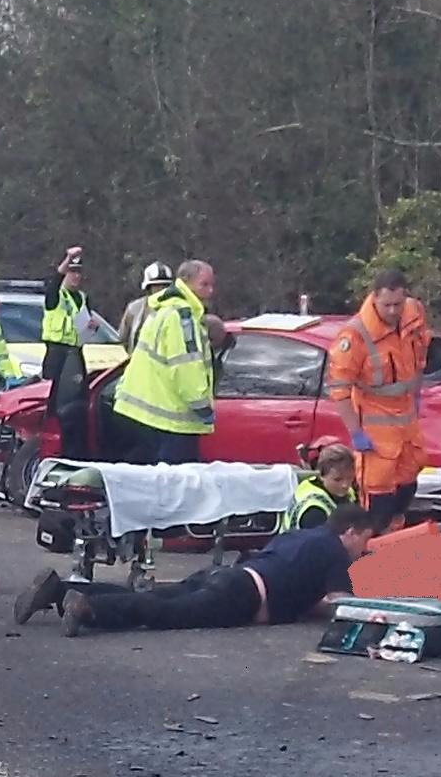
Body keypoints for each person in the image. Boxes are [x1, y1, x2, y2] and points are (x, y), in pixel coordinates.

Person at [41, 506, 377, 635]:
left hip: (230, 576)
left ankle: (61, 589)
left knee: (152, 595)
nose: (364, 548)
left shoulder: (304, 536)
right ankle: (89, 608)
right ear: (350, 532)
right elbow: (343, 606)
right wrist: (380, 612)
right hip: (243, 597)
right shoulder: (336, 552)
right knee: (165, 612)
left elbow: (299, 586)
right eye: (365, 539)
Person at [326, 267, 432, 532]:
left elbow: (420, 355)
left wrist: (416, 396)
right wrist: (355, 433)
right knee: (378, 496)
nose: (394, 311)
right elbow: (339, 389)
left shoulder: (414, 313)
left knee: (409, 483)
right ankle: (370, 553)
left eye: (398, 304)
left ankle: (395, 540)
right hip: (375, 426)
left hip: (406, 419)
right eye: (387, 305)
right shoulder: (355, 335)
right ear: (374, 298)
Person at [112, 259, 217, 464]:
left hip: (144, 413)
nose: (210, 291)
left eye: (212, 285)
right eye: (204, 284)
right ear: (185, 282)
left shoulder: (163, 310)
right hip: (171, 421)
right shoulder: (182, 318)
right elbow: (186, 369)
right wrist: (203, 408)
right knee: (176, 486)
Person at [39, 246, 99, 459]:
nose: (75, 276)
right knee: (53, 402)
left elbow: (85, 324)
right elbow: (55, 279)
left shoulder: (82, 298)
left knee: (76, 403)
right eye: (72, 272)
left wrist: (92, 327)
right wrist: (68, 258)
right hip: (56, 353)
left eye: (78, 272)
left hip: (75, 352)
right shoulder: (56, 294)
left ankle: (74, 446)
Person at [289, 440, 359, 530]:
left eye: (349, 478)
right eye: (337, 479)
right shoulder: (313, 510)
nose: (345, 485)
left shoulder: (348, 491)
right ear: (322, 475)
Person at [116, 259, 172, 346]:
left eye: (164, 286)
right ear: (148, 288)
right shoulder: (134, 309)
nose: (161, 290)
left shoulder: (178, 309)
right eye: (157, 286)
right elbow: (122, 340)